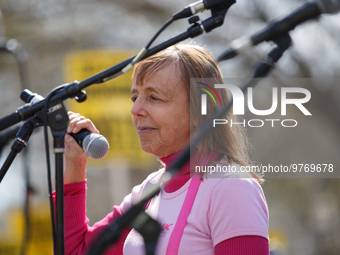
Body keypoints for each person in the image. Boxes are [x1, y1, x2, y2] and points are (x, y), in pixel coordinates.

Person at [53, 43, 269, 254]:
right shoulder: (146, 193)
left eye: (153, 97)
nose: (135, 109)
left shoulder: (230, 186)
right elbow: (77, 251)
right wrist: (74, 163)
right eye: (135, 97)